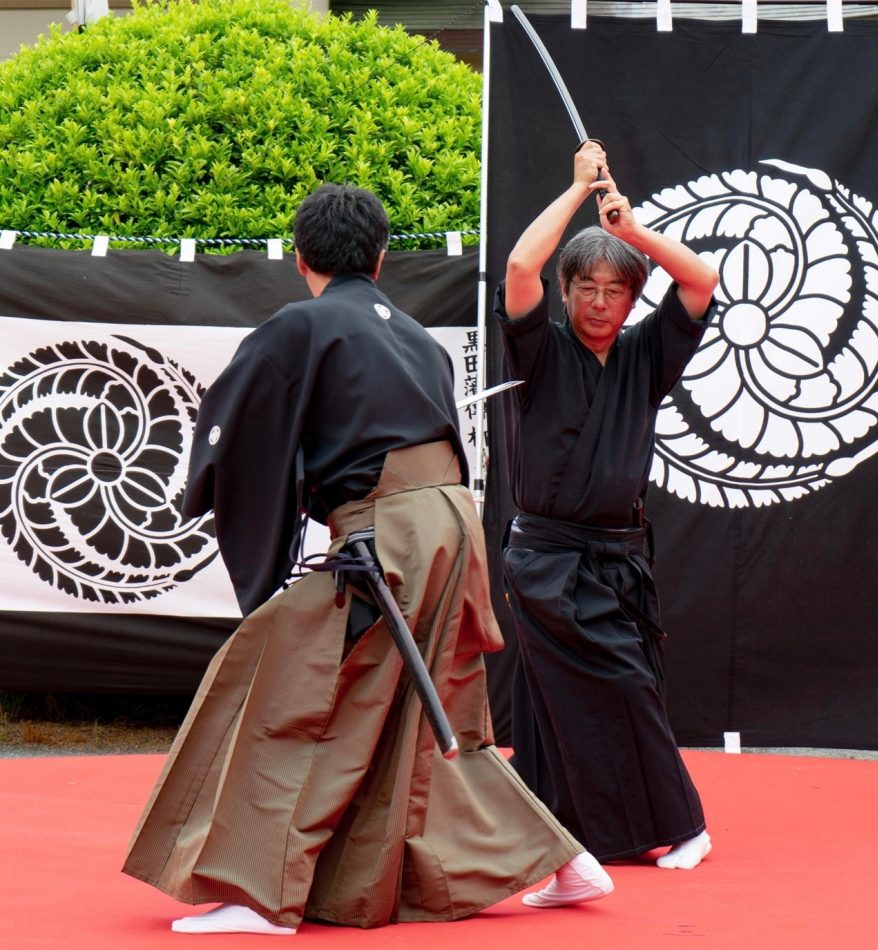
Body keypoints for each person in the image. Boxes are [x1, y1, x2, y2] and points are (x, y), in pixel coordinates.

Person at [122, 183, 612, 936]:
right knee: (427, 711)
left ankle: (263, 896)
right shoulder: (415, 336)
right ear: (381, 258)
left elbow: (241, 431)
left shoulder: (303, 325)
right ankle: (562, 858)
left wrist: (227, 500)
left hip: (391, 533)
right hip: (450, 525)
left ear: (299, 257)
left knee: (297, 692)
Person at [494, 142, 719, 872]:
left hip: (618, 558)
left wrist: (629, 232)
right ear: (566, 293)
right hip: (546, 559)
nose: (599, 303)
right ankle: (565, 830)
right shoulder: (538, 355)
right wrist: (575, 191)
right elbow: (520, 268)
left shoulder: (644, 358)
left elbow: (703, 278)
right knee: (558, 696)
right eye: (586, 288)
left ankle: (676, 826)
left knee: (629, 684)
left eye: (615, 290)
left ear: (631, 298)